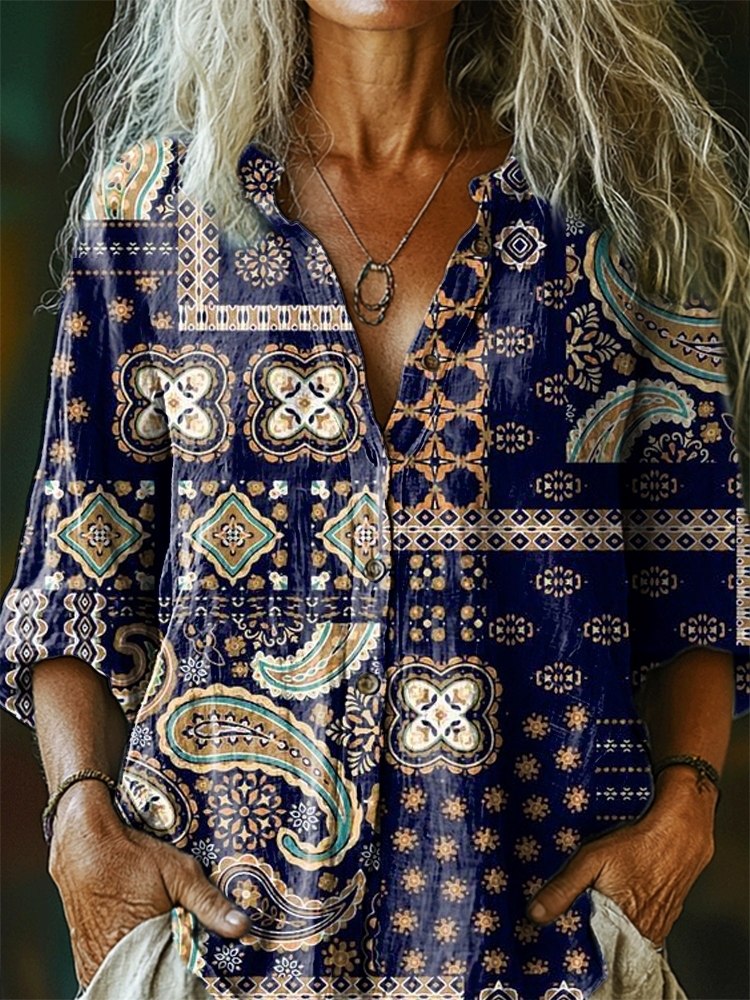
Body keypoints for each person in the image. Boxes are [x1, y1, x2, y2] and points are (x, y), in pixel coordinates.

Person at [0, 1, 749, 998]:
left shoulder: (614, 209)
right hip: (222, 946)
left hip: (538, 945)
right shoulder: (155, 211)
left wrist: (689, 804)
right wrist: (80, 818)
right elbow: (76, 568)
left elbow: (696, 567)